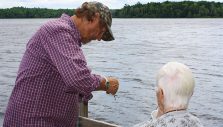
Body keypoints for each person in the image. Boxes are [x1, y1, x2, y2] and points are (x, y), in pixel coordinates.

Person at [3, 1, 119, 127]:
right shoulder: (58, 30)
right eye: (101, 31)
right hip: (33, 121)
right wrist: (105, 83)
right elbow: (78, 79)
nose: (98, 38)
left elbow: (75, 82)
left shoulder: (66, 36)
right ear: (94, 17)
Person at [134, 62, 203, 127]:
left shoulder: (154, 124)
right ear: (191, 94)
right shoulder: (198, 123)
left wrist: (158, 115)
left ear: (160, 94)